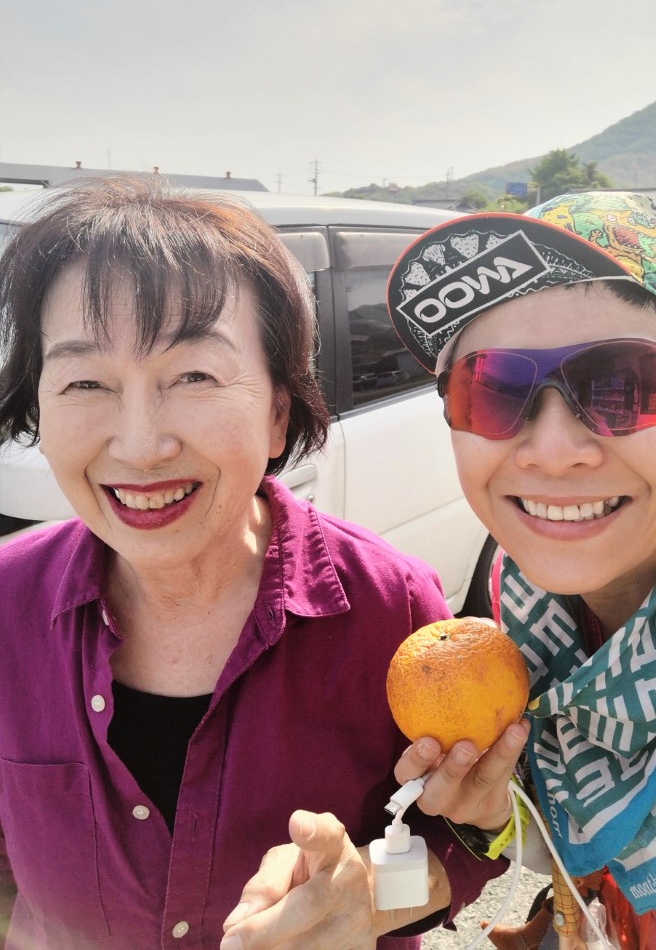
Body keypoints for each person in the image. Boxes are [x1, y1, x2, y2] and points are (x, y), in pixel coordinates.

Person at [0, 175, 528, 950]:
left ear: (279, 411)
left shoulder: (391, 612)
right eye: (85, 381)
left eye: (194, 376)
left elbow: (462, 845)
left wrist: (370, 900)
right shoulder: (7, 606)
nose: (140, 445)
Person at [387, 191, 656, 950]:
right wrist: (498, 822)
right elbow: (564, 820)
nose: (552, 450)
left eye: (627, 387)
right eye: (493, 389)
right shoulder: (514, 594)